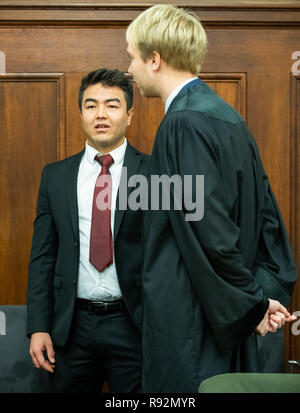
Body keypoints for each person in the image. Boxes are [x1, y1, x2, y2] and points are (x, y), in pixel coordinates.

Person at [126, 5, 297, 392]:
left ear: (154, 59)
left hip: (191, 323)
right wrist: (258, 297)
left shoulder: (183, 123)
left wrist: (251, 304)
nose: (130, 69)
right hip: (222, 317)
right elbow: (269, 219)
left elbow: (209, 230)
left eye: (132, 57)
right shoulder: (228, 117)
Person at [27, 68, 150, 393]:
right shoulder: (55, 177)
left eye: (112, 105)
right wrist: (38, 327)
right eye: (92, 105)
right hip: (71, 328)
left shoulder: (153, 173)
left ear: (129, 114)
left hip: (134, 325)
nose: (101, 114)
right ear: (80, 113)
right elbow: (42, 255)